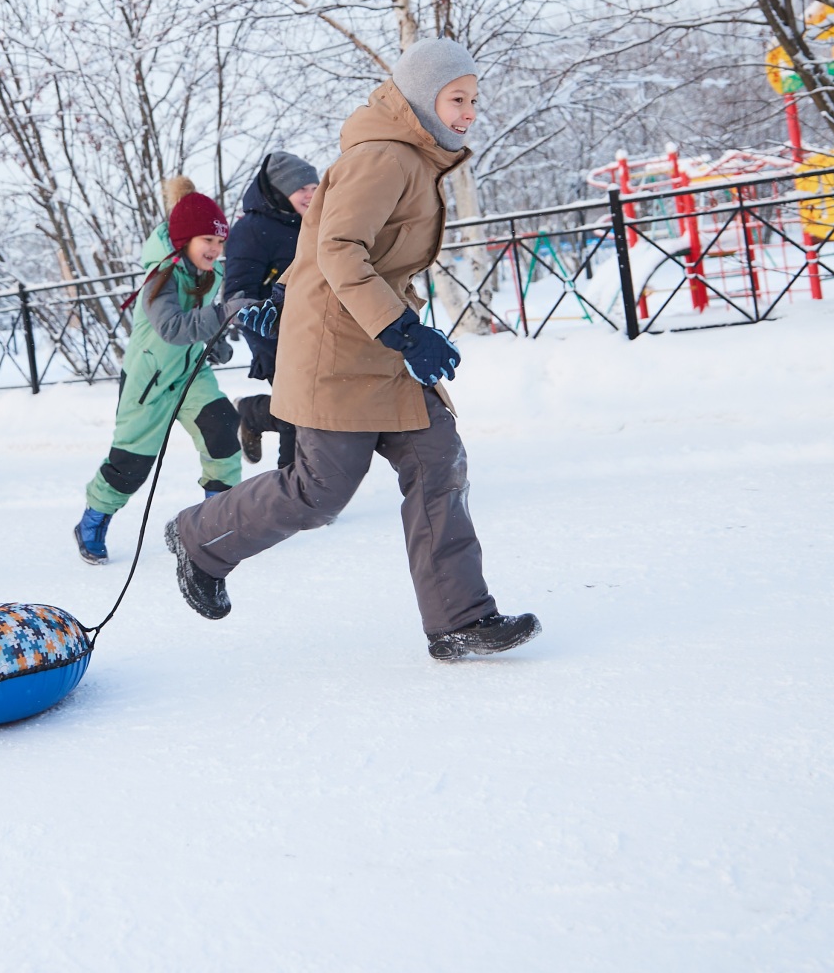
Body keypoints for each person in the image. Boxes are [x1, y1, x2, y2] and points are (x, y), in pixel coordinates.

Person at [162, 39, 542, 662]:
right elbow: (339, 251)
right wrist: (404, 330)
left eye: (474, 99)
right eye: (456, 99)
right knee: (320, 489)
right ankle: (198, 538)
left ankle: (460, 621)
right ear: (422, 98)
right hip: (339, 344)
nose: (469, 112)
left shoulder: (415, 157)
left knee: (437, 461)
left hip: (382, 343)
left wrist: (402, 330)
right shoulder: (383, 159)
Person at [73, 181, 259, 565]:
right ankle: (93, 519)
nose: (215, 249)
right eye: (207, 239)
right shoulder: (161, 277)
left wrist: (217, 341)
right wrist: (223, 314)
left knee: (223, 428)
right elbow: (173, 328)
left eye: (220, 241)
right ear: (185, 239)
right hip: (149, 381)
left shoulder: (209, 272)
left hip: (190, 372)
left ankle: (215, 524)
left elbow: (200, 324)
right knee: (131, 464)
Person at [226, 152, 319, 471]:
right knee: (301, 415)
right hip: (275, 336)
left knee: (318, 410)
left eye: (313, 186)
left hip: (320, 332)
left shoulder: (317, 223)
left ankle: (252, 413)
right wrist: (262, 318)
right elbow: (237, 292)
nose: (310, 194)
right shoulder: (251, 229)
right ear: (279, 190)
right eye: (300, 188)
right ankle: (293, 489)